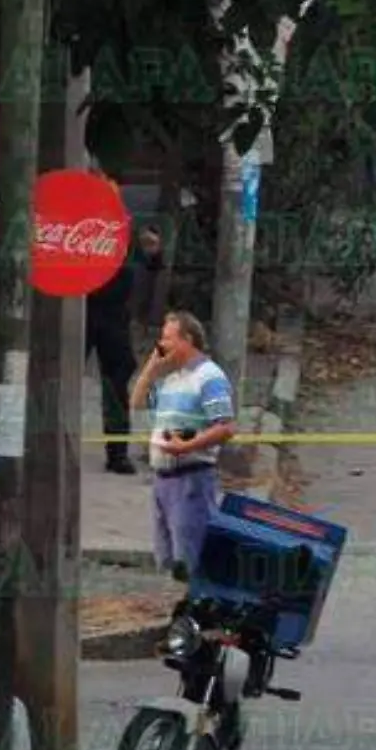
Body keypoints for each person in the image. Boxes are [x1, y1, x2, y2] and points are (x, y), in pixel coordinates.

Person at [131, 311, 237, 583]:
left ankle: (191, 614)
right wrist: (153, 367)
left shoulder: (209, 377)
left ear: (187, 339)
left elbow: (225, 426)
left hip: (191, 478)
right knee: (166, 559)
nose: (161, 344)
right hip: (163, 479)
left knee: (189, 559)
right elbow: (137, 401)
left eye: (167, 339)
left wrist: (188, 445)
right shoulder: (172, 379)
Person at [87, 189, 141, 475]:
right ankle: (49, 443)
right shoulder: (80, 229)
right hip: (79, 313)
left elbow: (150, 260)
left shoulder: (125, 233)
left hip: (113, 319)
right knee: (59, 379)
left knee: (117, 383)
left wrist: (153, 251)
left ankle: (117, 453)